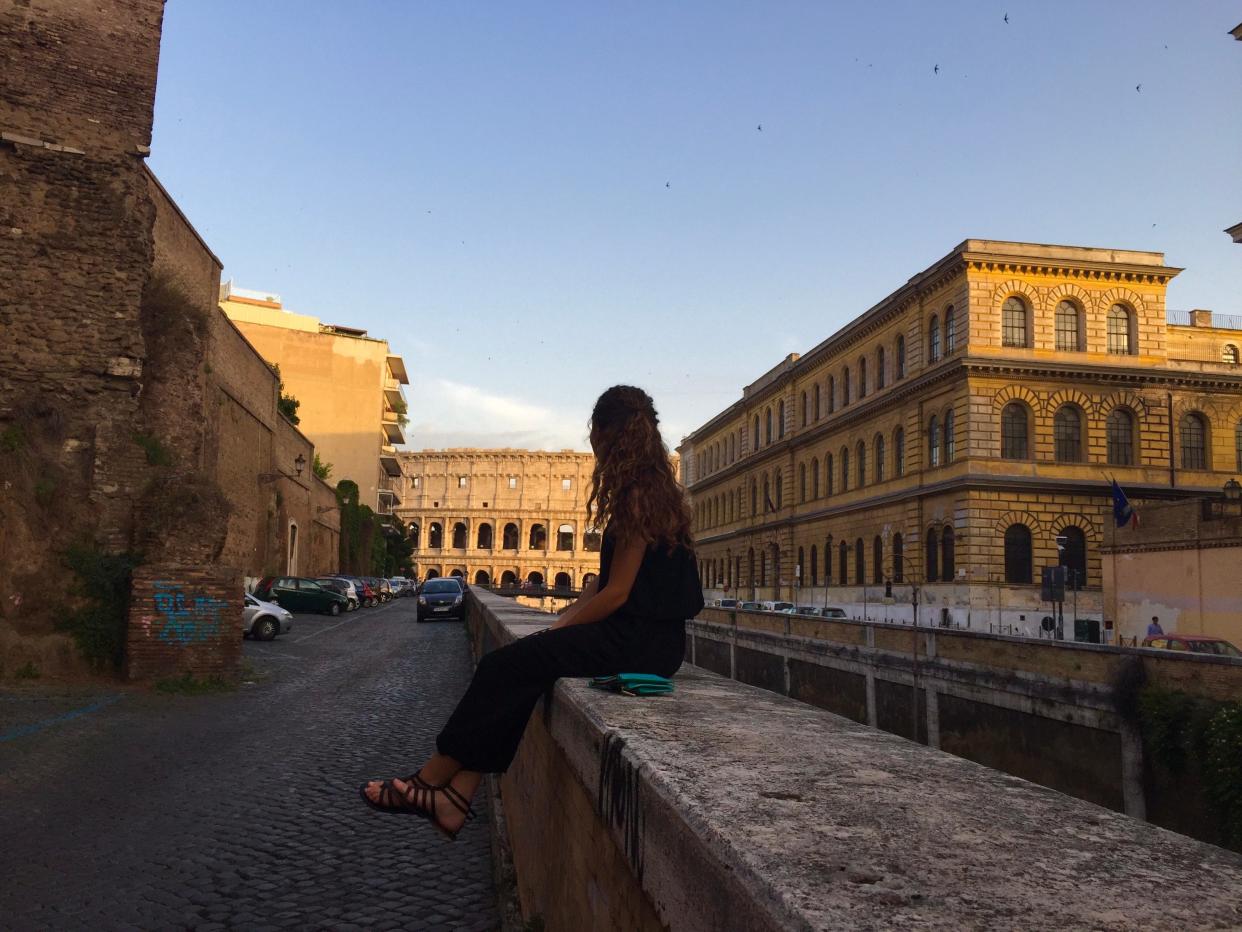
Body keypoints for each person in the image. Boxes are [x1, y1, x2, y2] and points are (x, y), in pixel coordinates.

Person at [360, 385, 703, 839]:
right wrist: (558, 632)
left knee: (502, 665)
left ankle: (428, 781)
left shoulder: (636, 496)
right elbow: (601, 584)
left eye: (596, 438)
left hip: (640, 641)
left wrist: (557, 629)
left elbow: (617, 594)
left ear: (607, 435)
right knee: (526, 670)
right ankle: (457, 795)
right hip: (653, 640)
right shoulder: (655, 492)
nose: (594, 450)